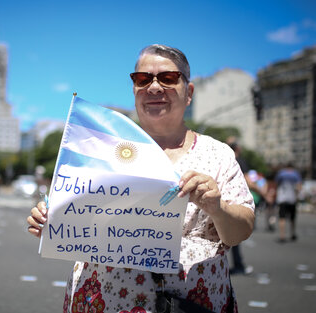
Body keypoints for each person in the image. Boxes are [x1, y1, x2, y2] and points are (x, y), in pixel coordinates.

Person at [27, 44, 255, 313]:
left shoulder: (217, 154)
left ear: (189, 92)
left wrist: (218, 207)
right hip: (103, 301)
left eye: (168, 78)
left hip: (192, 304)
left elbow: (242, 230)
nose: (154, 87)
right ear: (134, 89)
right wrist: (49, 219)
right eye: (143, 79)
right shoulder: (99, 145)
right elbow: (72, 210)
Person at [227, 140, 254, 276]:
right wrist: (263, 192)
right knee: (237, 234)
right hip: (238, 201)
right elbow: (248, 180)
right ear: (237, 149)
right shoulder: (239, 161)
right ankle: (239, 265)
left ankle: (235, 264)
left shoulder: (224, 158)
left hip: (224, 201)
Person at [275, 163, 302, 243]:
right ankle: (292, 233)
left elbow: (277, 184)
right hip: (292, 199)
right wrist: (297, 195)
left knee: (282, 217)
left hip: (282, 198)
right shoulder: (296, 174)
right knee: (292, 218)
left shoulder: (281, 173)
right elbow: (299, 186)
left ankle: (282, 235)